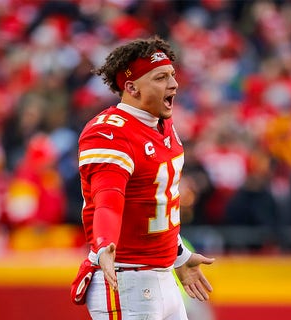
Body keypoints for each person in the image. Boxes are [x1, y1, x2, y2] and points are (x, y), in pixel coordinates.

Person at [70, 36, 215, 319]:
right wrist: (104, 245)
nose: (173, 84)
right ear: (131, 87)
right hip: (126, 279)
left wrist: (179, 256)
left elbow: (154, 202)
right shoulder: (110, 132)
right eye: (161, 77)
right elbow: (108, 201)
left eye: (172, 75)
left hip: (164, 276)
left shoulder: (163, 124)